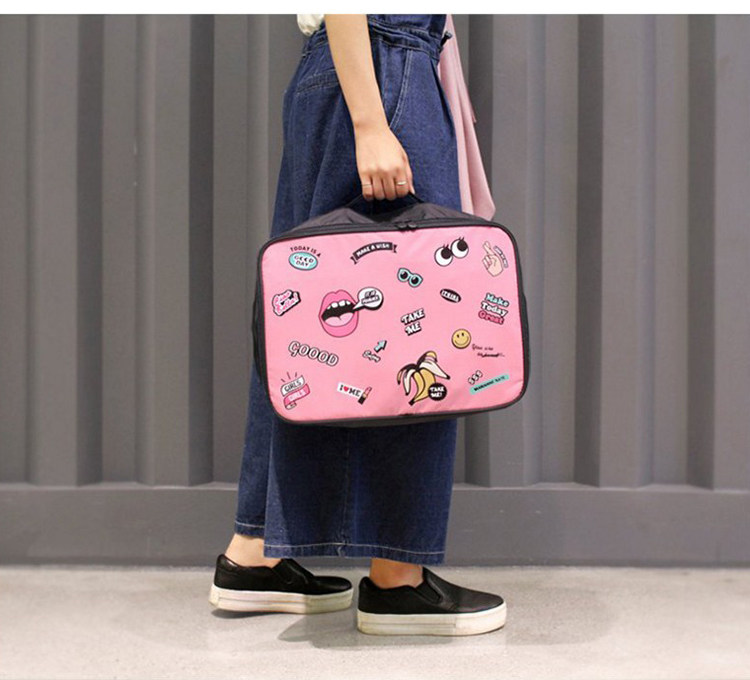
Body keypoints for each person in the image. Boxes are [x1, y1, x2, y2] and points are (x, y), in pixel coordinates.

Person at [208, 14, 506, 636]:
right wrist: (372, 123)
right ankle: (398, 579)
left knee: (302, 323)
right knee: (418, 325)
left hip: (351, 72)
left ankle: (254, 553)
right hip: (382, 68)